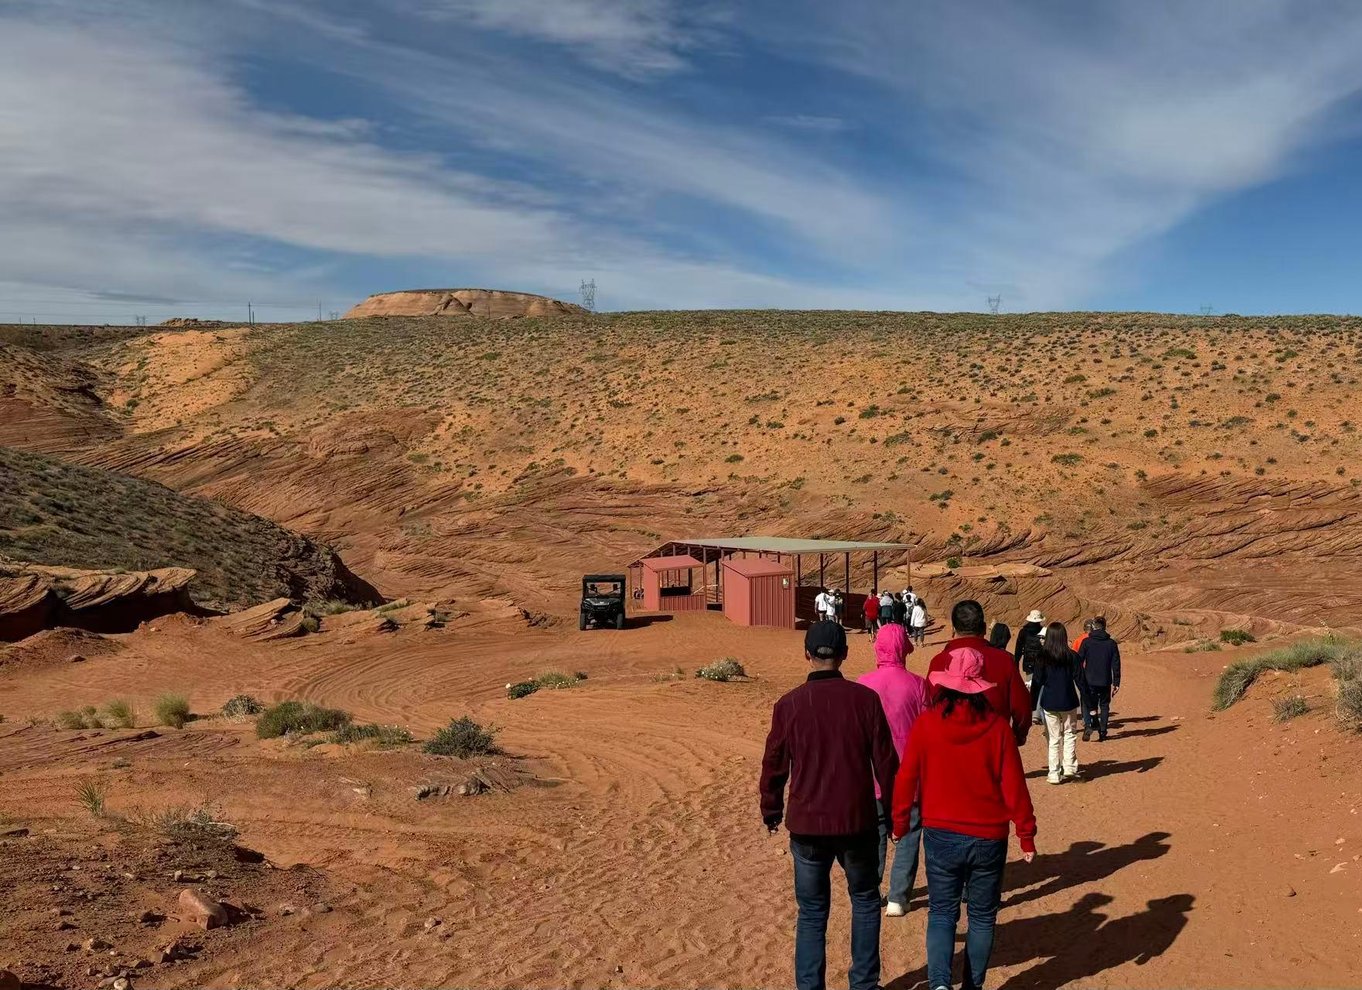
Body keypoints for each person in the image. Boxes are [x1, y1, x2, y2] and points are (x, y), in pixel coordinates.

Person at [760, 621, 899, 990]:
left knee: (812, 913)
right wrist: (897, 815)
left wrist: (771, 809)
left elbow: (774, 763)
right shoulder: (865, 700)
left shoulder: (788, 705)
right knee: (866, 900)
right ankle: (864, 984)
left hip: (807, 825)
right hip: (858, 822)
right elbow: (886, 764)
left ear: (807, 654)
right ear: (844, 655)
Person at [892, 645, 1037, 990]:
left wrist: (900, 824)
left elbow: (906, 779)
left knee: (942, 913)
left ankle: (940, 983)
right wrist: (1026, 833)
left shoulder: (927, 725)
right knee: (983, 917)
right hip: (989, 835)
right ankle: (973, 986)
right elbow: (1014, 786)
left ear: (946, 683)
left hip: (941, 831)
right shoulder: (998, 728)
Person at [858, 623, 927, 917]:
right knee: (909, 834)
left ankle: (871, 891)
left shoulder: (862, 683)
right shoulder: (919, 684)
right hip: (909, 775)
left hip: (871, 774)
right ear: (904, 649)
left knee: (873, 834)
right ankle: (899, 896)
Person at [927, 600, 1032, 745]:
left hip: (948, 744)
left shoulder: (938, 662)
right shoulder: (1004, 661)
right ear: (984, 628)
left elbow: (929, 705)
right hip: (993, 744)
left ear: (953, 629)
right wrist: (1018, 735)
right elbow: (1021, 705)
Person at [1030, 622, 1084, 784]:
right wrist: (1089, 701)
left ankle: (1053, 773)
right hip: (1068, 701)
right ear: (1064, 637)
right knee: (1069, 734)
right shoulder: (1072, 656)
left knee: (1053, 738)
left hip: (1049, 702)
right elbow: (1080, 680)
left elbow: (1037, 682)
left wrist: (1032, 705)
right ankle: (1069, 767)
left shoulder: (1042, 657)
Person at [1078, 616, 1121, 742]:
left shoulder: (1087, 642)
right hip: (1105, 680)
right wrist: (1116, 682)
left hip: (1089, 679)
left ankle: (1087, 725)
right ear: (1105, 627)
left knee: (1087, 704)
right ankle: (1103, 731)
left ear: (1094, 627)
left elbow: (1079, 660)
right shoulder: (1111, 644)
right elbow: (1116, 664)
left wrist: (1079, 676)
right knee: (1104, 705)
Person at [1014, 610, 1046, 726]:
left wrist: (1016, 662)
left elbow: (1018, 649)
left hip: (1028, 663)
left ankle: (1029, 712)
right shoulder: (1043, 631)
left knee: (1029, 686)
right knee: (1040, 687)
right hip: (1041, 663)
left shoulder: (1023, 632)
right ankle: (1037, 713)